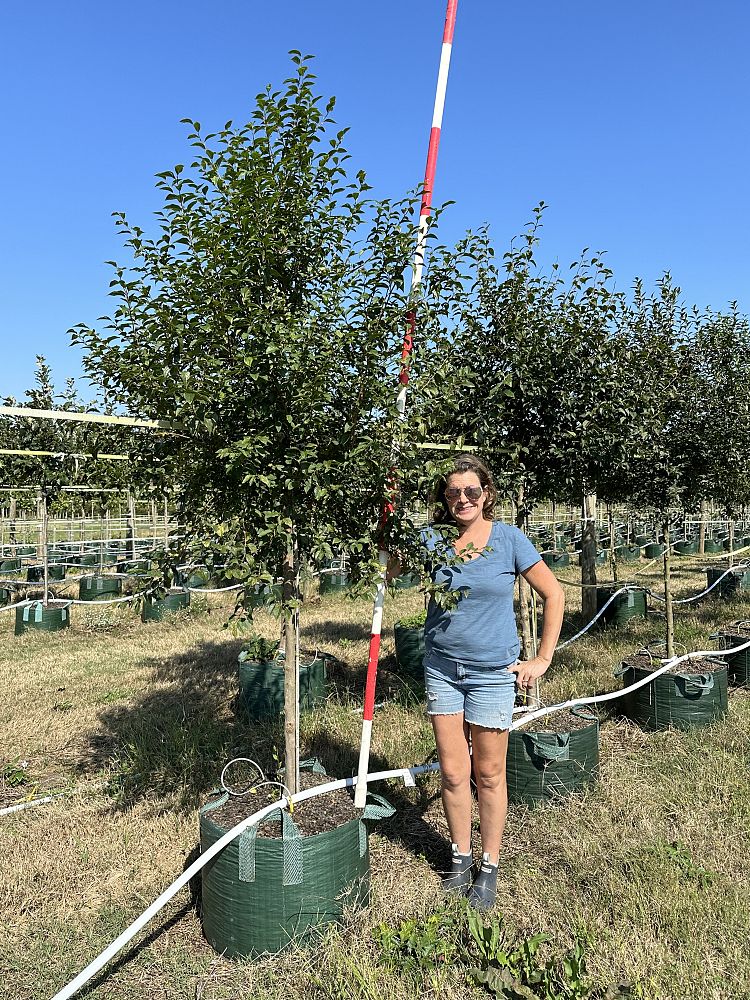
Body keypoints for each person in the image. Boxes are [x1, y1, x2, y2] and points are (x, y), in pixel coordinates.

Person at [419, 454, 564, 910]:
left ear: (486, 494)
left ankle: (489, 864)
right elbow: (390, 573)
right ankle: (460, 857)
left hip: (491, 674)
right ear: (444, 499)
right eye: (453, 493)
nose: (462, 499)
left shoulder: (508, 539)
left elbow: (554, 593)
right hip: (442, 668)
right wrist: (387, 530)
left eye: (471, 491)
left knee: (489, 773)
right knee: (453, 772)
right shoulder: (432, 540)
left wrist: (541, 658)